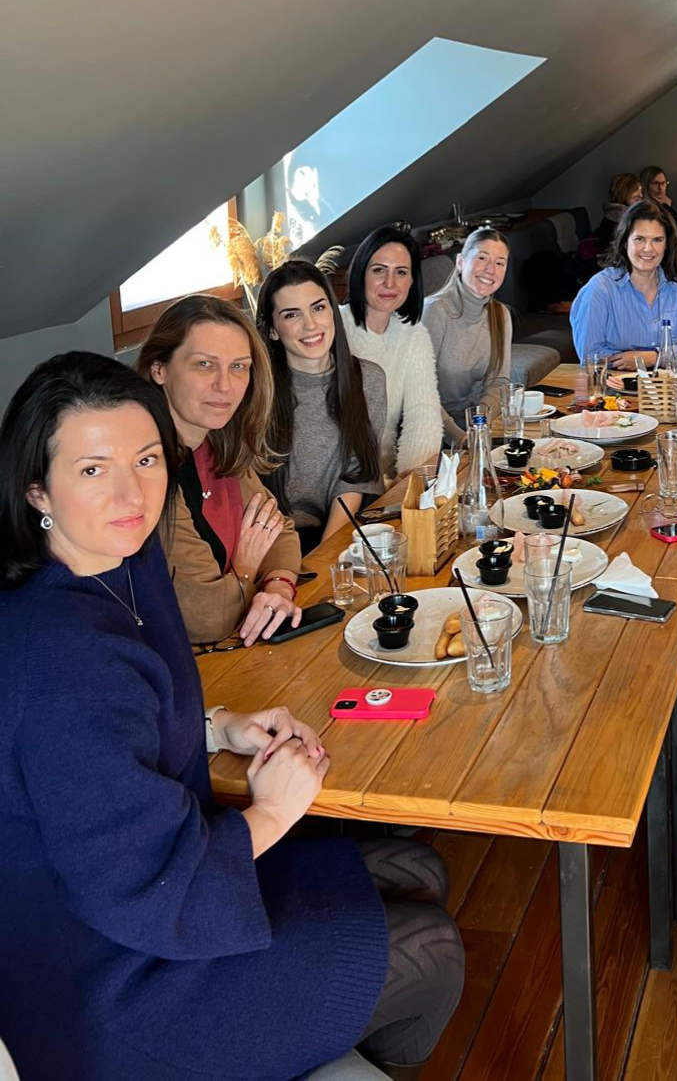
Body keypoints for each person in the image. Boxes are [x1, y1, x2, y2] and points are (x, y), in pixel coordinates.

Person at [0, 352, 465, 1081]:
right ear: (37, 490)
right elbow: (142, 881)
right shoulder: (58, 660)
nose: (132, 491)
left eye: (147, 459)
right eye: (92, 469)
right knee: (432, 950)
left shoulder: (122, 564)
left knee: (419, 868)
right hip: (112, 990)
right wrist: (274, 813)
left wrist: (217, 726)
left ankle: (319, 1039)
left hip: (164, 901)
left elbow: (132, 732)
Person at [136, 296, 303, 646]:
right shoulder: (148, 469)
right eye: (204, 365)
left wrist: (276, 589)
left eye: (239, 366)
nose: (225, 385)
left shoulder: (216, 441)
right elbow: (207, 618)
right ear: (159, 369)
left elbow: (281, 536)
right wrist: (247, 567)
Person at [255, 260, 386, 555]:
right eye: (292, 314)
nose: (311, 325)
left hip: (343, 532)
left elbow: (356, 477)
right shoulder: (255, 392)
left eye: (318, 307)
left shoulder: (369, 379)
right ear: (273, 330)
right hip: (275, 545)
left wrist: (327, 555)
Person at [339, 224, 443, 479]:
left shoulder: (414, 334)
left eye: (401, 272)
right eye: (379, 270)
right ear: (361, 273)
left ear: (412, 281)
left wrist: (412, 478)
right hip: (340, 480)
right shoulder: (333, 327)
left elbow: (423, 413)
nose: (390, 283)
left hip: (387, 475)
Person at [570, 199, 677, 370]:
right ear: (625, 242)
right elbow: (590, 356)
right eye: (640, 239)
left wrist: (655, 357)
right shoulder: (599, 290)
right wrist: (673, 356)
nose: (648, 248)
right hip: (616, 385)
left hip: (673, 385)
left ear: (667, 245)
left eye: (657, 240)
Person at [423, 228, 513, 444]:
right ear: (460, 262)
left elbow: (499, 382)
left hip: (473, 426)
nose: (490, 269)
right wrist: (459, 438)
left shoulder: (500, 314)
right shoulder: (435, 311)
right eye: (482, 258)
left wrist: (478, 425)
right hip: (429, 431)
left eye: (500, 263)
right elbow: (420, 390)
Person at [595, 172, 644, 256]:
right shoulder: (618, 218)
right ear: (623, 191)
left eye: (641, 191)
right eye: (636, 189)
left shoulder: (623, 214)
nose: (641, 195)